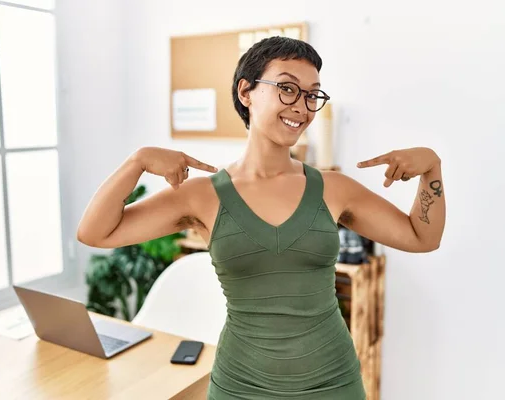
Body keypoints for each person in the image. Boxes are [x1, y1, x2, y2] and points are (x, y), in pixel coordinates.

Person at [77, 36, 445, 400]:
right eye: (287, 88)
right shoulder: (201, 195)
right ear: (245, 92)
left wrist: (431, 168)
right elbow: (96, 232)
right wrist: (136, 162)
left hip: (333, 384)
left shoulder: (335, 189)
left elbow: (421, 237)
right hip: (241, 386)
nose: (301, 106)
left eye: (312, 94)